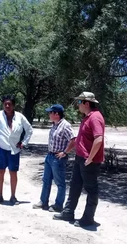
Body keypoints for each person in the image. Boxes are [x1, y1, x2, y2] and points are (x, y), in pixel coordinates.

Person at [53, 92, 105, 228]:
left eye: (79, 102)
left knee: (91, 189)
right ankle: (68, 212)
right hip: (80, 158)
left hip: (89, 160)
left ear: (86, 103)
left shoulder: (95, 118)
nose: (78, 105)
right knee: (75, 185)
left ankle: (88, 218)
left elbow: (99, 139)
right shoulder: (87, 117)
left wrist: (90, 158)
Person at [0, 95, 33, 205]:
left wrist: (24, 142)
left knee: (13, 173)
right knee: (0, 172)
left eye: (9, 104)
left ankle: (13, 197)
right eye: (5, 104)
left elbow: (29, 130)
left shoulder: (20, 117)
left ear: (14, 105)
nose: (7, 106)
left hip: (14, 150)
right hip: (1, 148)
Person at [33, 104, 75, 212]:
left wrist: (65, 152)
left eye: (50, 112)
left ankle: (58, 205)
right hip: (50, 156)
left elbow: (73, 140)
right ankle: (43, 202)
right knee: (46, 180)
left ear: (56, 114)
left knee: (60, 183)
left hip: (58, 158)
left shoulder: (65, 125)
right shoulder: (54, 125)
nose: (49, 114)